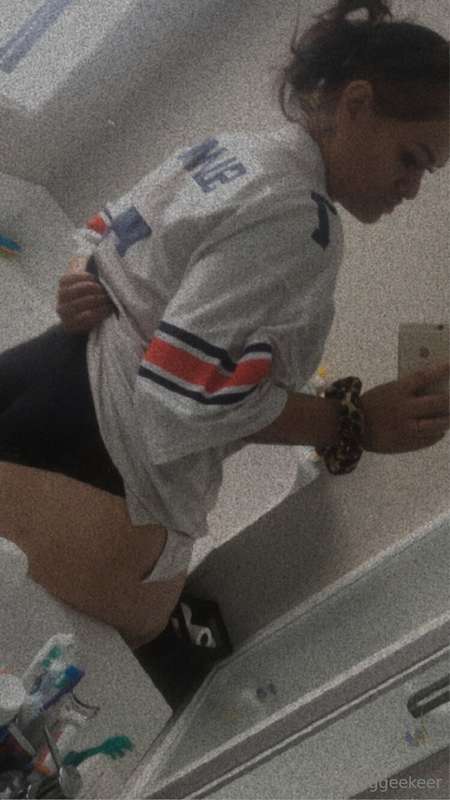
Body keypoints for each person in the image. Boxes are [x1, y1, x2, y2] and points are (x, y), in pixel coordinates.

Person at [1, 0, 449, 650]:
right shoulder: (301, 222)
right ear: (356, 105)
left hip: (40, 378)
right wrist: (355, 422)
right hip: (109, 461)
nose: (412, 187)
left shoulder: (232, 150)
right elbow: (185, 394)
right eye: (412, 158)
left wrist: (79, 280)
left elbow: (99, 229)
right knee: (125, 637)